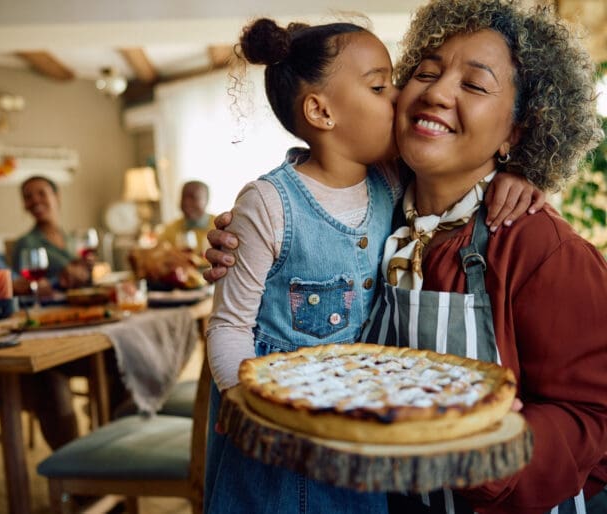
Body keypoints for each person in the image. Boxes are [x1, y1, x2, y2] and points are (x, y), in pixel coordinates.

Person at [205, 1, 607, 513]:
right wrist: (238, 243)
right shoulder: (384, 207)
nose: (436, 92)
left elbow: (594, 413)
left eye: (475, 85)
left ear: (517, 133)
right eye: (426, 72)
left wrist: (481, 459)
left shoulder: (541, 248)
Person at [0, 180, 81, 450]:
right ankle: (78, 481)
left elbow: (22, 284)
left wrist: (55, 283)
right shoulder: (23, 244)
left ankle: (106, 457)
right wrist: (10, 288)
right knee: (50, 385)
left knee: (107, 360)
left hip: (3, 338)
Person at [11, 175, 90, 293]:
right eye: (28, 197)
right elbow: (21, 287)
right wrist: (60, 279)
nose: (35, 200)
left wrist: (87, 269)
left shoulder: (72, 239)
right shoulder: (25, 243)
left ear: (57, 197)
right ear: (25, 205)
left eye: (42, 193)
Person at [157, 180, 215, 256]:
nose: (186, 202)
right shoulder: (169, 230)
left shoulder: (219, 227)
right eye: (183, 197)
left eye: (193, 197)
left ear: (206, 200)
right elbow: (160, 255)